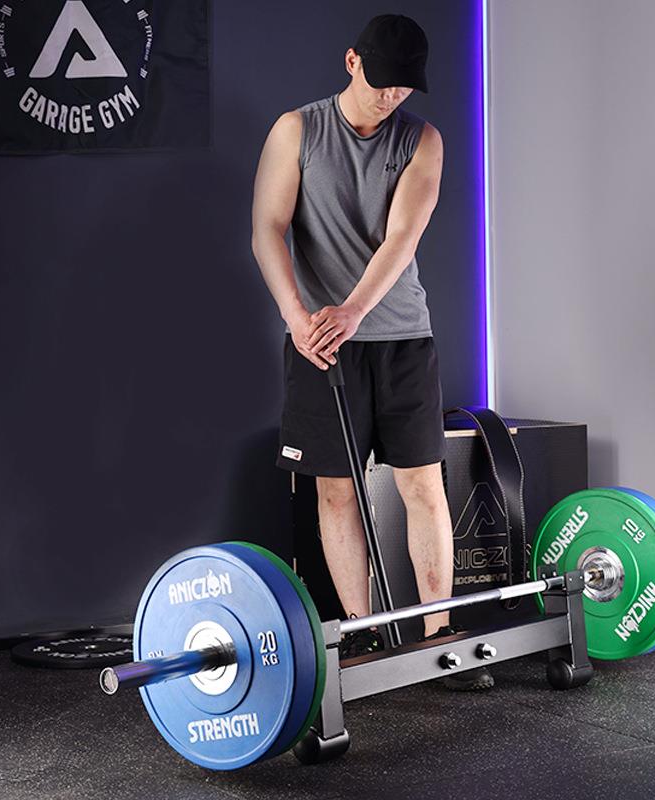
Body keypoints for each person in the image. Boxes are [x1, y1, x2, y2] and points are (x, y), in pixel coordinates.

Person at [251, 14, 493, 690]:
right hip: (320, 344)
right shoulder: (297, 130)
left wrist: (354, 311)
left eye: (404, 87)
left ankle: (440, 635)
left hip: (401, 338)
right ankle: (360, 634)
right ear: (352, 61)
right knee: (335, 492)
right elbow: (267, 228)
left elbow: (402, 238)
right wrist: (297, 317)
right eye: (382, 81)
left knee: (423, 486)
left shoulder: (422, 140)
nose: (391, 96)